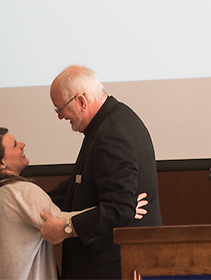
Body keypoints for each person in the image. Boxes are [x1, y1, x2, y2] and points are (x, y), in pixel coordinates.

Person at [40, 65, 163, 279]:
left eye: (59, 108)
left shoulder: (111, 134)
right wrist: (30, 200)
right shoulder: (114, 120)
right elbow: (81, 184)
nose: (60, 116)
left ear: (81, 101)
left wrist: (66, 228)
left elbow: (120, 209)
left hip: (112, 266)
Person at [0, 127, 83, 279]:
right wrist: (112, 209)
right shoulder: (18, 192)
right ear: (1, 162)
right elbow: (63, 222)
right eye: (15, 145)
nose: (22, 144)